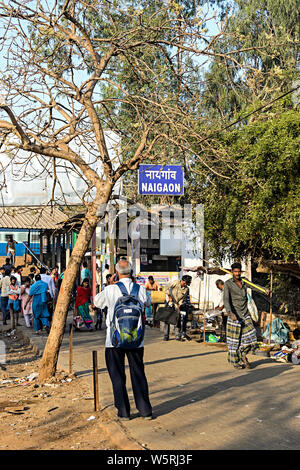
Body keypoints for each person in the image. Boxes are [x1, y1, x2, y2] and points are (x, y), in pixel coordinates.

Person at [94, 259, 152, 421]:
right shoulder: (140, 289)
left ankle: (124, 411)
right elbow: (147, 302)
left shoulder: (111, 289)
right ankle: (145, 410)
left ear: (116, 273)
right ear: (132, 272)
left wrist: (110, 284)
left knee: (117, 375)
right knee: (138, 373)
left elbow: (97, 302)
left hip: (114, 341)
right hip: (136, 339)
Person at [224, 262, 269, 370]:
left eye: (239, 271)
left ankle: (243, 354)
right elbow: (226, 300)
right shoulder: (228, 284)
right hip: (234, 315)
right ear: (232, 272)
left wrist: (264, 290)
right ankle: (237, 361)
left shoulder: (244, 281)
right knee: (234, 342)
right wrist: (230, 313)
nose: (237, 273)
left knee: (251, 336)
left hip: (245, 314)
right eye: (235, 272)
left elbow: (254, 287)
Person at [163, 275, 193, 342]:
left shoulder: (186, 289)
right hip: (169, 301)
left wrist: (179, 304)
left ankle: (177, 336)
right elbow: (166, 288)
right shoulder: (175, 282)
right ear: (183, 281)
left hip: (177, 303)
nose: (185, 285)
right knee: (167, 319)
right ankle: (166, 336)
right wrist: (169, 295)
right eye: (185, 283)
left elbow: (182, 298)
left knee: (178, 318)